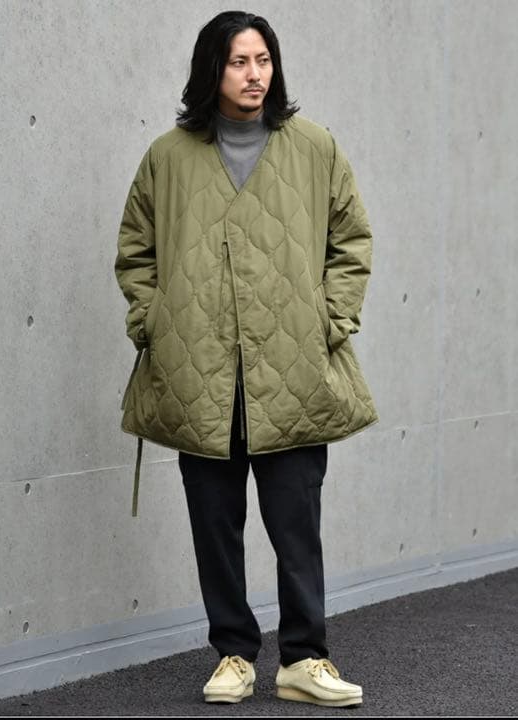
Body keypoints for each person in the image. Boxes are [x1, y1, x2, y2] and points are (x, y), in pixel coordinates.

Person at [114, 10, 378, 708]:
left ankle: (305, 658)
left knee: (297, 526)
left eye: (263, 59)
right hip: (200, 374)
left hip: (292, 370)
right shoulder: (168, 157)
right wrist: (151, 321)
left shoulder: (314, 147)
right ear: (212, 69)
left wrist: (332, 320)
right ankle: (233, 653)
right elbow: (136, 250)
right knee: (214, 525)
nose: (254, 74)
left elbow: (351, 239)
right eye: (239, 61)